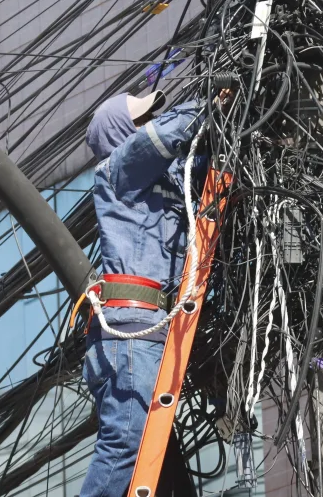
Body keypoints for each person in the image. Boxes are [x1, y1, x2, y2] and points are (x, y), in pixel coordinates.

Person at [79, 89, 206, 497]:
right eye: (138, 120)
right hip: (130, 332)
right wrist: (214, 101)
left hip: (154, 331)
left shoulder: (170, 182)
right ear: (120, 133)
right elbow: (164, 136)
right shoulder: (117, 171)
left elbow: (201, 158)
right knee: (126, 441)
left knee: (151, 455)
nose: (146, 123)